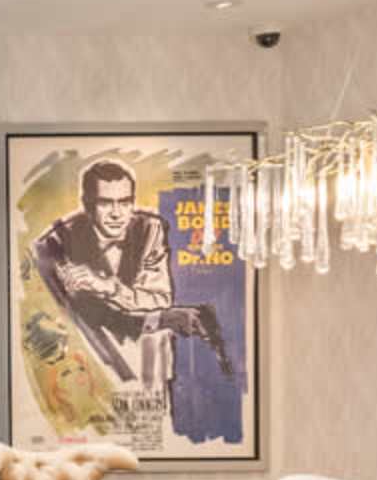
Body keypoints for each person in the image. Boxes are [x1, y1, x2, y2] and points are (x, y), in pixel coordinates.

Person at [30, 157, 236, 393]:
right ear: (87, 205)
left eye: (125, 202)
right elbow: (75, 318)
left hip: (146, 354)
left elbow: (159, 299)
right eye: (106, 203)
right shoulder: (55, 243)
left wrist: (107, 287)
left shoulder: (150, 228)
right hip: (92, 360)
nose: (117, 213)